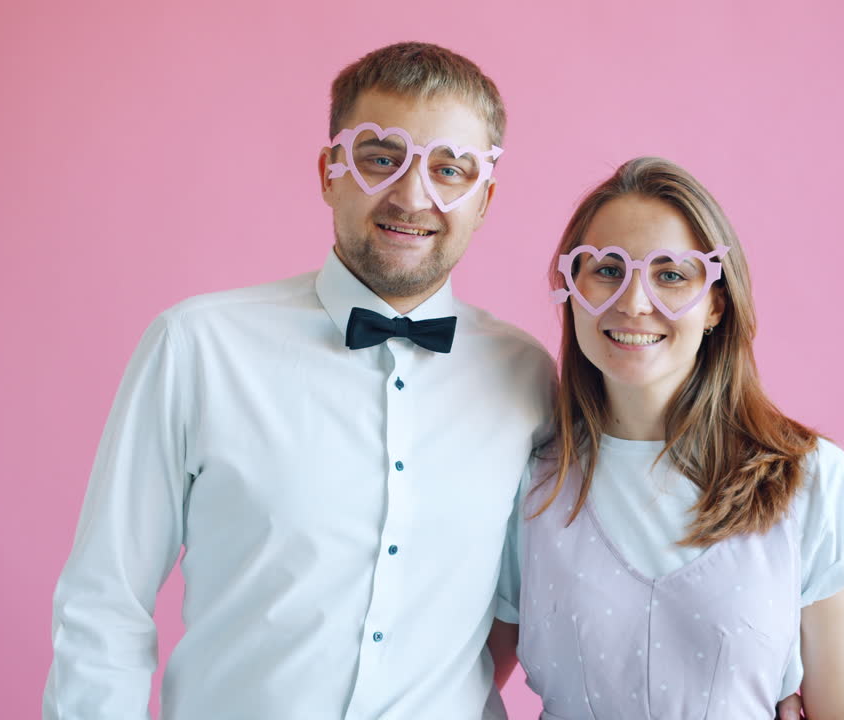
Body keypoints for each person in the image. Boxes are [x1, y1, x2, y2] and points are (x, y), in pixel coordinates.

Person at [43, 42, 555, 720]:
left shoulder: (526, 378)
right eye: (381, 158)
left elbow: (515, 613)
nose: (412, 196)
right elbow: (105, 603)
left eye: (449, 169)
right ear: (329, 173)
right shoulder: (197, 348)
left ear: (483, 198)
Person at [491, 157, 844, 719]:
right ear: (572, 289)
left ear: (716, 304)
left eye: (671, 275)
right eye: (607, 269)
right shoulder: (528, 486)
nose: (633, 302)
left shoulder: (811, 479)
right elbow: (457, 688)